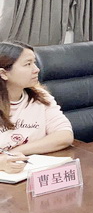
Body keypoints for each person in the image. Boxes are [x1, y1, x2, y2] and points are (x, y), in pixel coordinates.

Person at [0, 41, 74, 172]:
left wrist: (16, 152)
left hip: (31, 171)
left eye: (34, 63)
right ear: (4, 73)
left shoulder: (40, 97)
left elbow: (64, 135)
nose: (36, 69)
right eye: (28, 64)